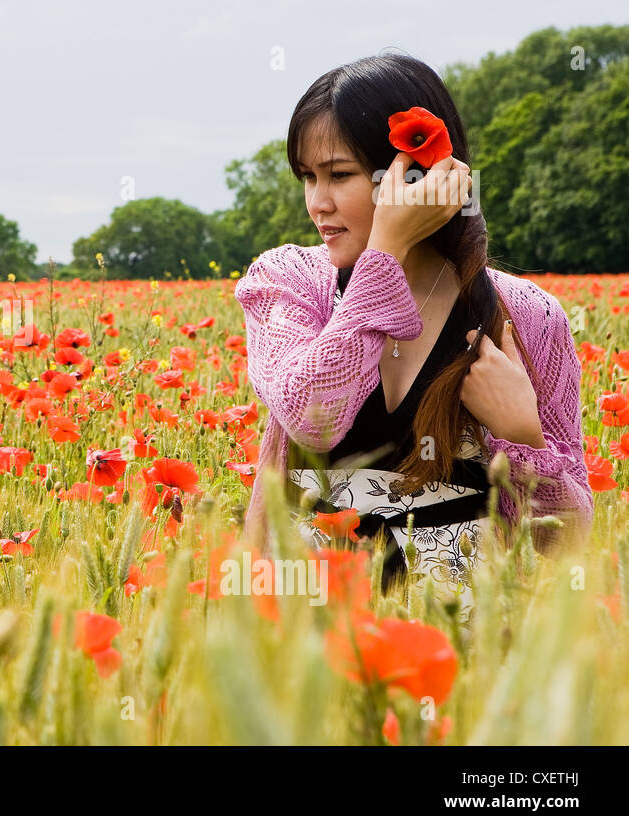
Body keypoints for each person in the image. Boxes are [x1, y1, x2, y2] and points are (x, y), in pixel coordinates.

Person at [233, 53, 593, 617]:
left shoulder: (524, 318)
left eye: (339, 175)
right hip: (305, 647)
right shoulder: (288, 283)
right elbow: (311, 411)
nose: (316, 203)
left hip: (463, 653)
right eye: (308, 177)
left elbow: (568, 539)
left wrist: (522, 435)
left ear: (415, 174)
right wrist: (387, 253)